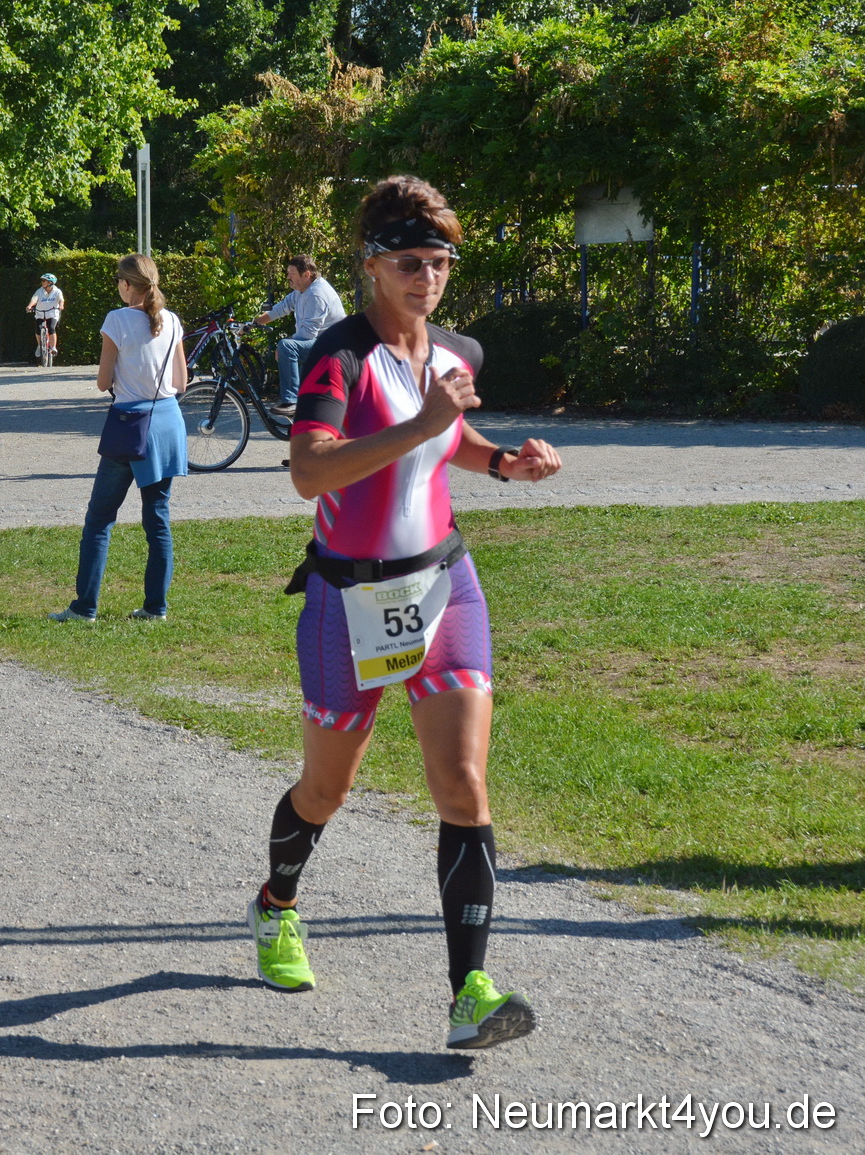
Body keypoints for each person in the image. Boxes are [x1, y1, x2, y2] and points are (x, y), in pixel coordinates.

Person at [250, 175, 563, 1050]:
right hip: (349, 597)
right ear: (371, 266)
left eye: (439, 262)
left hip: (443, 584)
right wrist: (422, 418)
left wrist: (505, 465)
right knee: (328, 787)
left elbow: (450, 439)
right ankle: (276, 904)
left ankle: (470, 992)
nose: (427, 277)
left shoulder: (455, 354)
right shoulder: (337, 357)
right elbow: (311, 471)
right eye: (408, 263)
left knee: (463, 784)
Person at [48, 254, 187, 623]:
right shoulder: (171, 320)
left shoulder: (117, 320)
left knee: (100, 519)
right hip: (168, 422)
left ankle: (85, 606)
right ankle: (156, 607)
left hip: (131, 424)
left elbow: (103, 381)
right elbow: (182, 382)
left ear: (127, 285)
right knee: (157, 518)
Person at [254, 255, 346, 418]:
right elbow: (282, 307)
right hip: (320, 343)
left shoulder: (317, 294)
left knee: (287, 346)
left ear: (306, 274)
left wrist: (285, 347)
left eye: (292, 272)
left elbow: (307, 334)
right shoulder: (302, 290)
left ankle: (291, 402)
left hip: (333, 348)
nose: (288, 276)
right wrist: (255, 322)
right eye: (288, 272)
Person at [25, 272, 66, 362]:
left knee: (51, 328)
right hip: (40, 313)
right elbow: (34, 299)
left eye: (44, 280)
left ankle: (53, 347)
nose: (42, 282)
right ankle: (40, 345)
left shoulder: (57, 291)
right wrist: (30, 306)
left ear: (50, 282)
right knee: (38, 329)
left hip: (52, 313)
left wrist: (61, 306)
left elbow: (61, 300)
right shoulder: (39, 291)